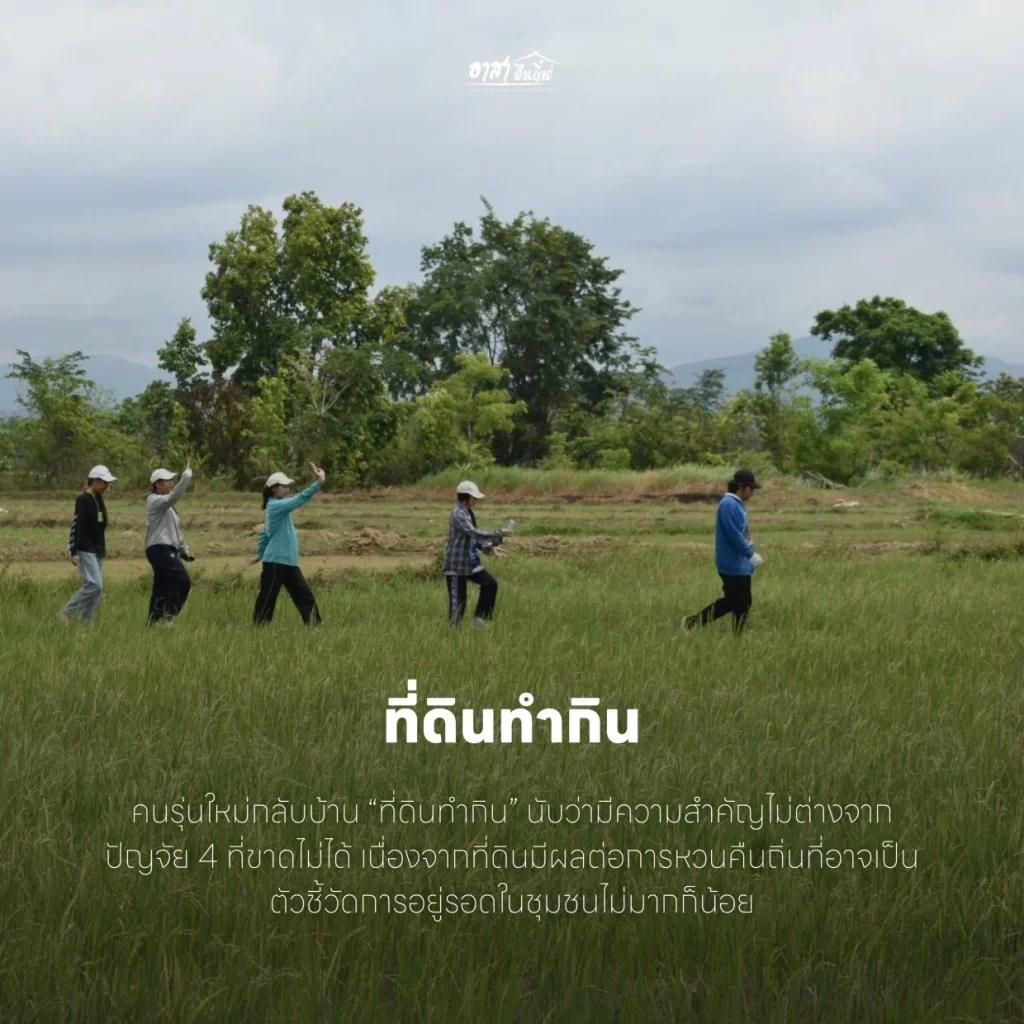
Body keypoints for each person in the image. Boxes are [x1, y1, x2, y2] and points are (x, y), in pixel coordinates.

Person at [682, 468, 764, 634]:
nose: (752, 493)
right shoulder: (728, 505)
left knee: (742, 602)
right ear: (741, 487)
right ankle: (692, 623)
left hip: (740, 563)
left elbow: (744, 533)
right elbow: (734, 534)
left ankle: (739, 634)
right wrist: (750, 554)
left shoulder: (737, 505)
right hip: (731, 563)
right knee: (735, 601)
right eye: (751, 488)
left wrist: (749, 558)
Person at [247, 464, 326, 627]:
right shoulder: (276, 506)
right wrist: (319, 482)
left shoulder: (277, 508)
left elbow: (265, 533)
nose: (287, 489)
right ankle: (259, 628)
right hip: (276, 562)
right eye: (284, 486)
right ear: (274, 489)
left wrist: (259, 554)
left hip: (288, 562)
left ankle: (315, 626)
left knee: (304, 596)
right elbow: (301, 498)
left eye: (288, 486)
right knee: (268, 597)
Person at [442, 480, 511, 627]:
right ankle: (453, 633)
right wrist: (499, 533)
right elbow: (474, 533)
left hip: (470, 563)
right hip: (457, 566)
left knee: (490, 584)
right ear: (465, 497)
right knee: (458, 605)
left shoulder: (468, 513)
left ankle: (479, 620)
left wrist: (490, 548)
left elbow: (473, 539)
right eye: (474, 498)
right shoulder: (458, 514)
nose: (475, 501)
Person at [60, 464, 116, 625]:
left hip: (98, 549)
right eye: (105, 483)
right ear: (95, 481)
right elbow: (77, 525)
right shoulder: (83, 499)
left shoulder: (98, 499)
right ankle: (66, 613)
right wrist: (73, 550)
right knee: (94, 585)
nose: (107, 486)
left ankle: (87, 624)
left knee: (97, 591)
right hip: (85, 548)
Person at [145, 465, 195, 626]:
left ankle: (153, 622)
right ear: (158, 484)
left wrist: (183, 550)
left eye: (172, 481)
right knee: (183, 581)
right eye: (168, 481)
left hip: (165, 548)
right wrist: (186, 478)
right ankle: (168, 617)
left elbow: (175, 531)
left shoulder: (169, 508)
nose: (171, 483)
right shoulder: (155, 500)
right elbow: (173, 496)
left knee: (162, 586)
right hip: (160, 548)